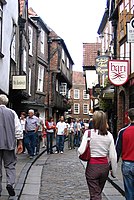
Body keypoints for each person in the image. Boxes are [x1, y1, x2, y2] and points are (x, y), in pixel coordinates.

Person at [78, 111, 117, 200]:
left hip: (92, 167)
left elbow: (81, 150)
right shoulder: (109, 135)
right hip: (104, 167)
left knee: (95, 194)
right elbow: (113, 156)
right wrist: (114, 171)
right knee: (97, 192)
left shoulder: (88, 133)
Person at [0, 94, 23, 197]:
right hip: (9, 143)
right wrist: (20, 142)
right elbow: (18, 129)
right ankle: (10, 183)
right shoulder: (12, 113)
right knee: (10, 165)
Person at [116, 108, 134, 200]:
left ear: (128, 117)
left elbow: (117, 150)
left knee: (129, 192)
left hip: (127, 163)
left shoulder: (123, 131)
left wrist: (112, 167)